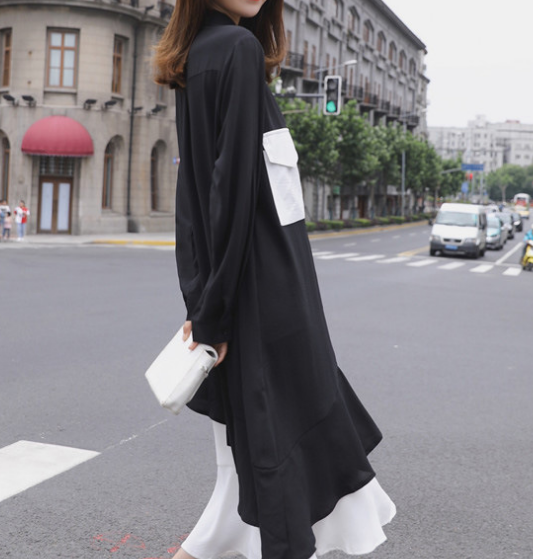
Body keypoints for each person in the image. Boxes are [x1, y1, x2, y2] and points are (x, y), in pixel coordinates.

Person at [153, 2, 395, 559]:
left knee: (242, 475)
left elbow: (195, 194)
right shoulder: (237, 50)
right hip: (268, 291)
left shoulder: (200, 55)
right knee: (282, 454)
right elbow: (230, 187)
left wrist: (202, 298)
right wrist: (212, 312)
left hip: (243, 289)